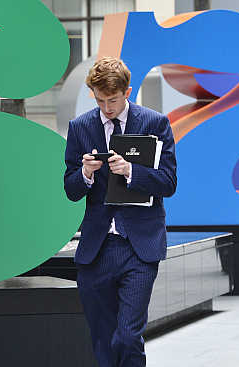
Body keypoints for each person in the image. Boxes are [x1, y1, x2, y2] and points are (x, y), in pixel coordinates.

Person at [63, 56, 177, 367]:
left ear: (127, 92)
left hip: (139, 247)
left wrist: (131, 171)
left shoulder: (156, 124)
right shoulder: (81, 127)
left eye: (112, 100)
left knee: (127, 336)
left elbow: (168, 183)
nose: (107, 107)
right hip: (97, 249)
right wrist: (84, 174)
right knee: (102, 339)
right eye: (100, 100)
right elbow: (71, 190)